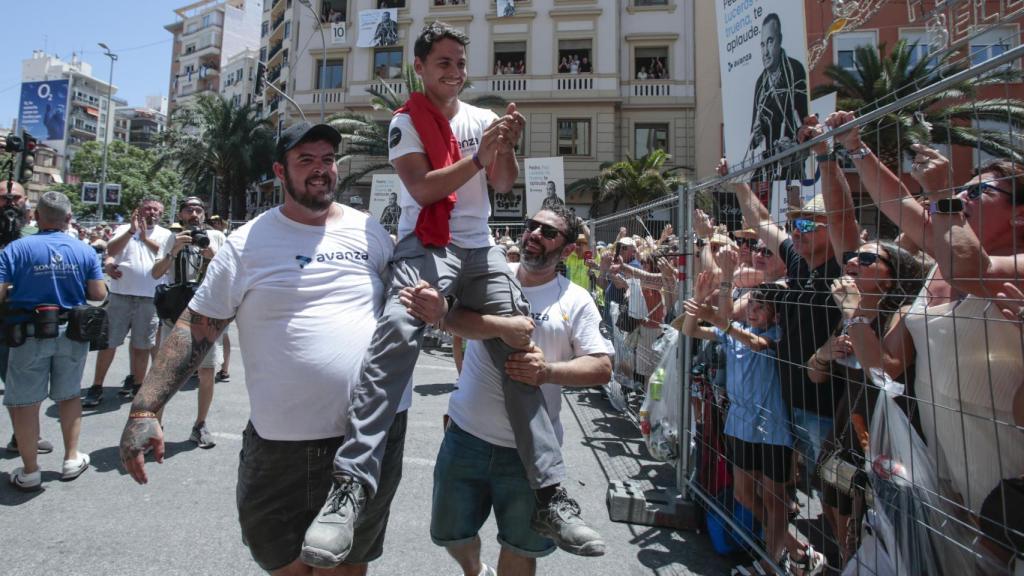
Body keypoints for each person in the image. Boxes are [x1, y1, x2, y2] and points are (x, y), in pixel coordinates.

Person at [301, 22, 603, 569]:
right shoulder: (404, 122)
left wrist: (504, 147)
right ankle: (350, 487)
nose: (455, 71)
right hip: (426, 245)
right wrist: (479, 158)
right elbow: (421, 189)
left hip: (480, 249)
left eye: (461, 63)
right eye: (444, 62)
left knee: (519, 348)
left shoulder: (482, 118)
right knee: (396, 332)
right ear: (420, 67)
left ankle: (550, 493)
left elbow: (503, 183)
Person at [120, 122, 413, 575]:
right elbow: (199, 326)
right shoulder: (248, 243)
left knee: (348, 563)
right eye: (306, 160)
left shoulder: (370, 231)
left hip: (370, 435)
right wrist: (146, 408)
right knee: (283, 561)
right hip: (282, 444)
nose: (321, 169)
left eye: (328, 159)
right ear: (280, 171)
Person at [826, 111, 1024, 567]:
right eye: (962, 190)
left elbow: (970, 268)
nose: (963, 197)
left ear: (1019, 216)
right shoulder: (940, 255)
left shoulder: (1008, 263)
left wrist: (940, 194)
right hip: (939, 453)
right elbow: (896, 203)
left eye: (978, 192)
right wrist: (855, 146)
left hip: (1001, 455)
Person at [421, 205, 613, 573]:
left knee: (522, 546)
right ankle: (476, 571)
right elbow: (450, 318)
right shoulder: (494, 275)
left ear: (567, 250)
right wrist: (499, 327)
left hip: (527, 457)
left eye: (549, 232)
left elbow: (602, 367)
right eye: (532, 226)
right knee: (451, 534)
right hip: (466, 437)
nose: (535, 234)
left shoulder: (576, 299)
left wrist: (547, 372)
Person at [681, 250, 824, 575]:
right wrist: (698, 301)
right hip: (739, 425)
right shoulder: (733, 334)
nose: (754, 310)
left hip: (773, 428)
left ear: (775, 316)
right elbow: (691, 330)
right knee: (745, 495)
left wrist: (720, 318)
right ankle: (794, 548)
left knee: (775, 499)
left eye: (762, 307)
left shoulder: (775, 338)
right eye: (752, 305)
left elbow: (754, 343)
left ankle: (772, 563)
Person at [721, 157, 843, 498]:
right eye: (794, 225)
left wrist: (826, 155)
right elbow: (761, 221)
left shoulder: (842, 266)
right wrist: (738, 183)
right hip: (788, 402)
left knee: (834, 498)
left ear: (832, 229)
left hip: (826, 407)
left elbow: (844, 217)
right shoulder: (797, 261)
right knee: (794, 489)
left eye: (806, 225)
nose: (795, 232)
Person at [2, 191, 107, 491]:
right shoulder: (84, 250)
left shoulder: (15, 249)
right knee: (69, 396)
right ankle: (71, 458)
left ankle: (30, 470)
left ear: (35, 216)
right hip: (71, 333)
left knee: (26, 403)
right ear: (69, 218)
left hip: (28, 332)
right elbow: (98, 294)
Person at [149, 196, 226, 449]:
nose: (194, 214)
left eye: (198, 209)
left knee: (207, 371)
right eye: (189, 210)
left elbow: (229, 273)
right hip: (176, 313)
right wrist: (173, 251)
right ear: (181, 215)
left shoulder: (216, 237)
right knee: (165, 373)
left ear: (204, 214)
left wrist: (211, 255)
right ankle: (156, 428)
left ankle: (200, 425)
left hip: (206, 314)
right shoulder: (171, 237)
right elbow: (156, 273)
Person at [82, 198, 171, 407]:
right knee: (109, 343)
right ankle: (97, 386)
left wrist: (144, 237)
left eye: (156, 210)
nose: (152, 212)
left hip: (149, 298)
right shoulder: (123, 229)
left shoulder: (166, 234)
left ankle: (138, 385)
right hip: (120, 295)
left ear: (161, 214)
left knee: (142, 346)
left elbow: (165, 255)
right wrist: (131, 232)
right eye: (148, 208)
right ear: (139, 210)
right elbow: (111, 252)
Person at [0, 181, 54, 455]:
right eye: (4, 198)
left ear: (26, 202)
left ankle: (24, 434)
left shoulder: (34, 234)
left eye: (16, 198)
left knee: (22, 381)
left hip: (22, 320)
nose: (10, 203)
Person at [748, 13, 808, 183]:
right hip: (769, 174)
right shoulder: (760, 83)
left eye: (770, 41)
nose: (765, 52)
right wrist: (756, 137)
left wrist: (794, 144)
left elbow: (807, 126)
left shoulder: (795, 70)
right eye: (762, 44)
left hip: (793, 171)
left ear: (780, 40)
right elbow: (752, 140)